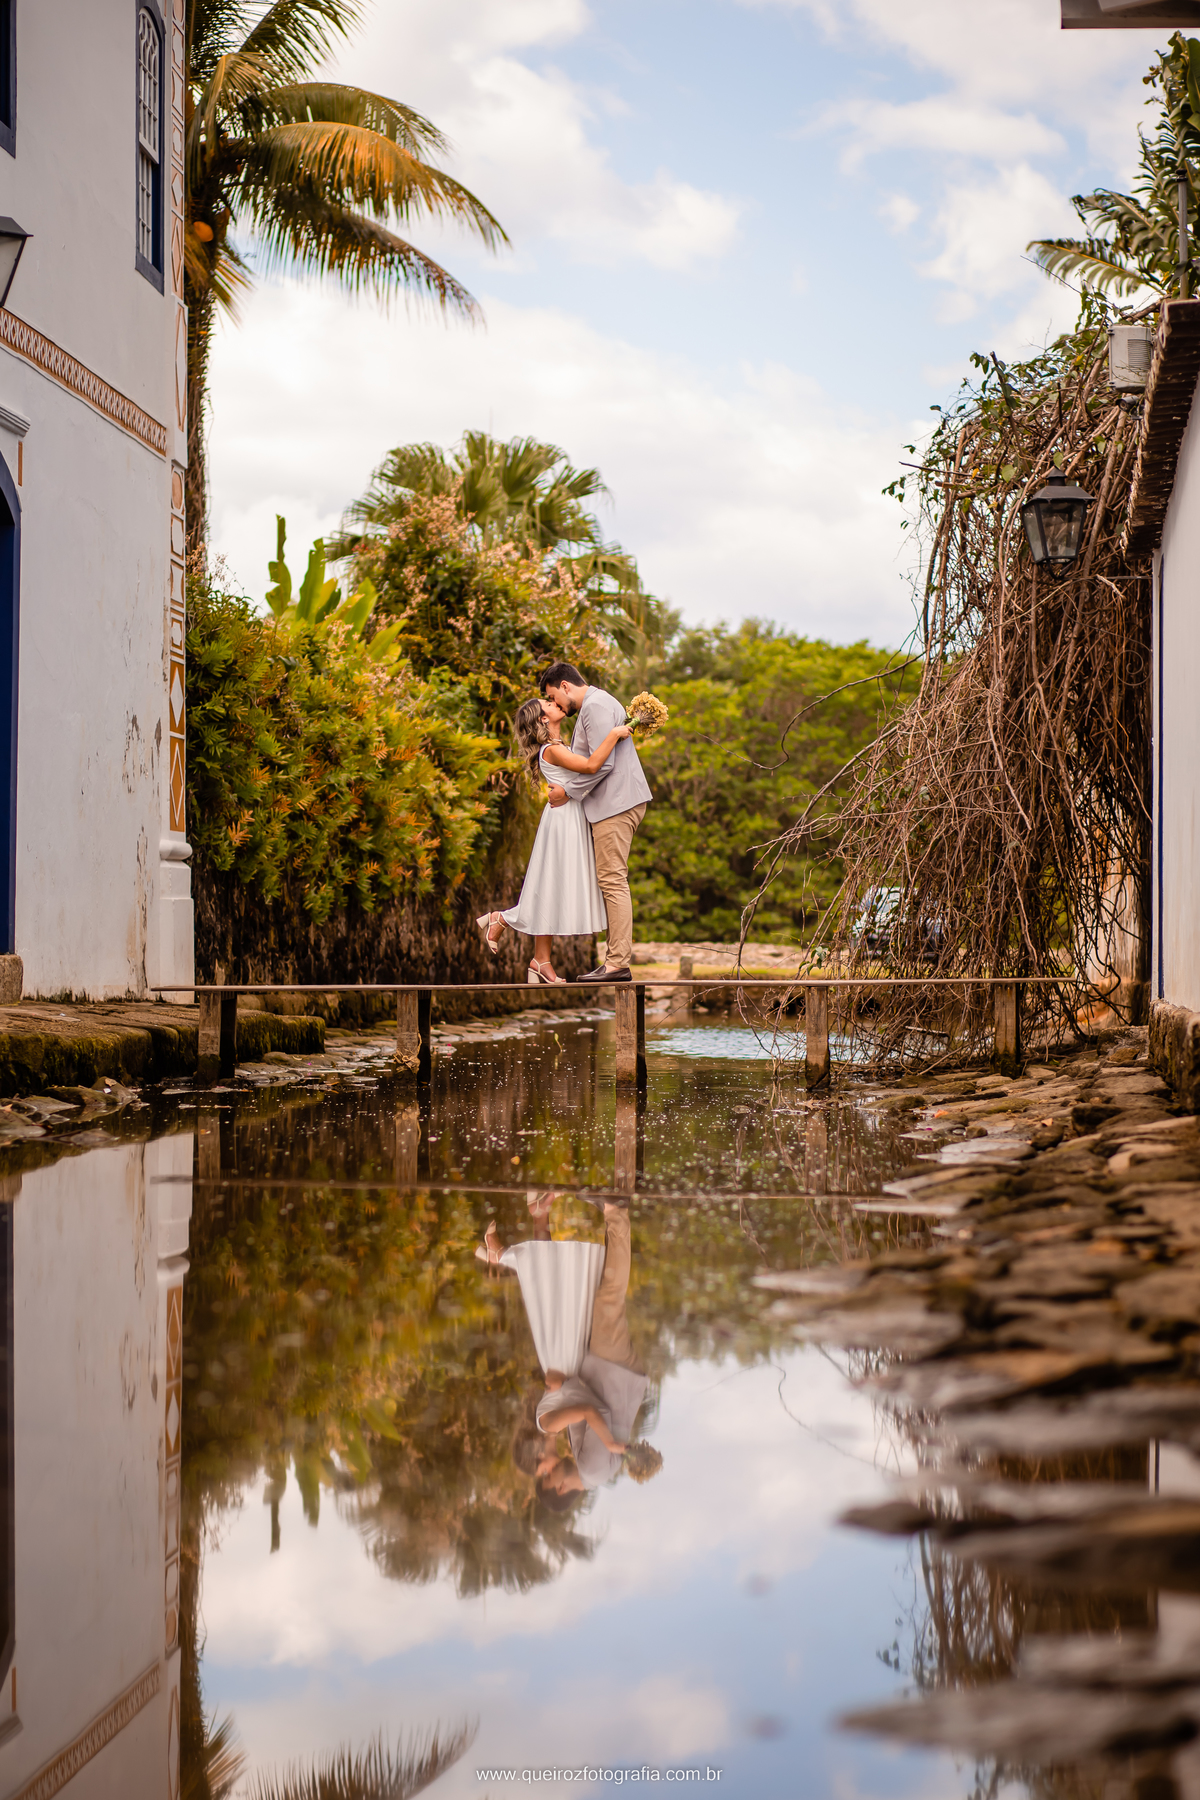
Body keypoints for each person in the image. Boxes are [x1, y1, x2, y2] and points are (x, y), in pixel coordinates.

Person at [476, 695, 633, 983]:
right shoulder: (551, 750)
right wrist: (614, 733)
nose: (553, 702)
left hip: (568, 817)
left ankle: (540, 960)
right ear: (543, 719)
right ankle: (505, 919)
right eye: (547, 703)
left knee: (552, 885)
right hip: (563, 823)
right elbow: (589, 767)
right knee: (551, 884)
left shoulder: (559, 746)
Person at [538, 661, 653, 984]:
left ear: (564, 686)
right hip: (611, 803)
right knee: (610, 880)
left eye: (553, 697)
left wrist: (567, 792)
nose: (557, 705)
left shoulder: (596, 705)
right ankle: (615, 961)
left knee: (613, 880)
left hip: (615, 803)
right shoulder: (595, 705)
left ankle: (617, 964)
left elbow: (602, 764)